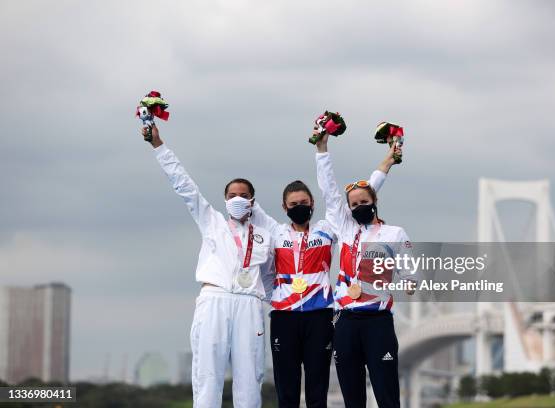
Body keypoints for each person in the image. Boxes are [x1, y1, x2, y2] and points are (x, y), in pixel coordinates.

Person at [250, 147, 397, 408]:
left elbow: (358, 195)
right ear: (284, 207)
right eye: (293, 205)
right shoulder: (275, 232)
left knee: (317, 388)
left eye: (304, 203)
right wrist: (276, 296)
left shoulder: (328, 228)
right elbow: (247, 202)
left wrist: (324, 150)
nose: (299, 208)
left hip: (320, 316)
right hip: (284, 317)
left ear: (312, 204)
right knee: (287, 386)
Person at [142, 125, 273, 408]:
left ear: (252, 201)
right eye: (231, 195)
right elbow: (184, 186)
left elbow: (271, 276)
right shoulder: (211, 221)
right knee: (207, 374)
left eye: (242, 195)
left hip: (250, 304)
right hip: (214, 299)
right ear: (225, 200)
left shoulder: (264, 234)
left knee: (250, 376)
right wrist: (159, 145)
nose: (236, 199)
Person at [314, 130, 414, 408]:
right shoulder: (345, 229)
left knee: (386, 394)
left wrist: (409, 281)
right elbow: (329, 190)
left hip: (378, 322)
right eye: (354, 204)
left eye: (365, 202)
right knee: (352, 396)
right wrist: (322, 148)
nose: (360, 206)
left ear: (375, 202)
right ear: (348, 210)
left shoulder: (394, 233)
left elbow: (410, 269)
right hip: (345, 322)